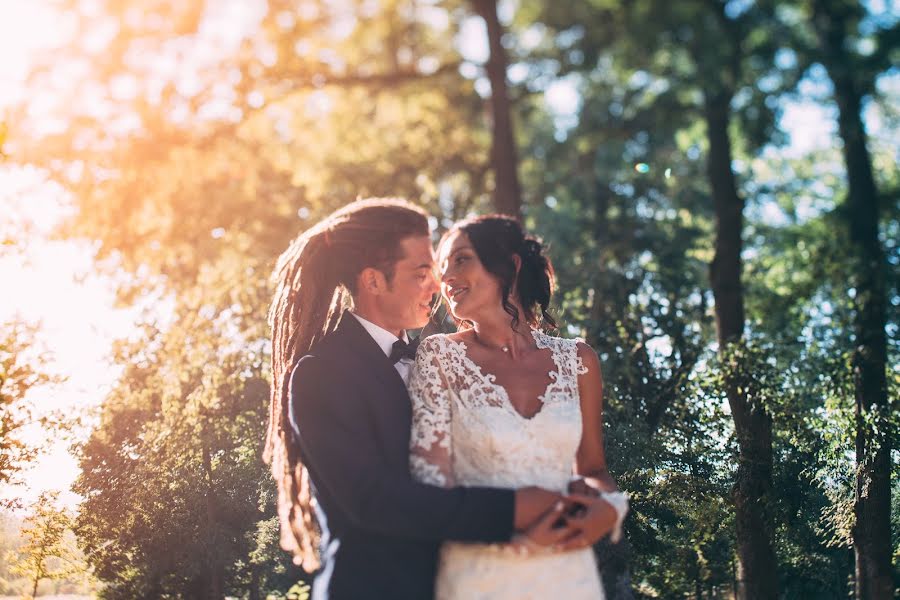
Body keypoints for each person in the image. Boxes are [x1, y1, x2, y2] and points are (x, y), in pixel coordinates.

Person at [264, 199, 579, 600]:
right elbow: (374, 501)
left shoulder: (445, 362)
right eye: (422, 272)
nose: (439, 285)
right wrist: (515, 509)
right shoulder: (320, 373)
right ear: (374, 281)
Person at [408, 214, 629, 599]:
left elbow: (593, 470)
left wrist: (609, 510)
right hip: (478, 575)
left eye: (461, 259)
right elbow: (431, 489)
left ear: (510, 264)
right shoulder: (439, 356)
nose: (446, 278)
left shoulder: (578, 360)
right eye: (442, 268)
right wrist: (519, 541)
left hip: (567, 573)